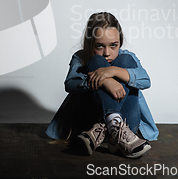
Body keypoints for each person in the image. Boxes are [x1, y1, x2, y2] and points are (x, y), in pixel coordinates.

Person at [46, 12, 158, 158]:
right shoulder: (80, 57)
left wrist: (113, 71)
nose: (107, 52)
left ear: (120, 42)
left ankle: (113, 126)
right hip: (90, 126)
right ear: (90, 43)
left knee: (125, 61)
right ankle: (113, 127)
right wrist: (105, 80)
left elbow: (145, 80)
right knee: (96, 61)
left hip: (125, 126)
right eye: (99, 46)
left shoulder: (127, 56)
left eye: (113, 45)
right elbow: (70, 83)